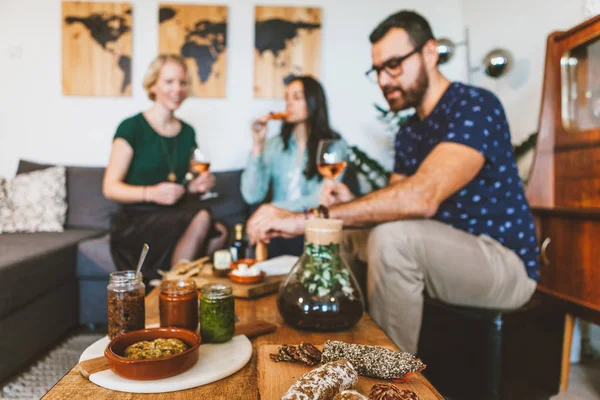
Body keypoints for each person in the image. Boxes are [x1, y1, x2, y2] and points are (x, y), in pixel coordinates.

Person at [246, 10, 539, 355]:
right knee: (346, 233)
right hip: (440, 246)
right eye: (378, 70)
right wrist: (350, 200)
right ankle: (334, 345)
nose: (384, 80)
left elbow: (423, 197)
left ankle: (386, 379)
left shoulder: (474, 106)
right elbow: (397, 204)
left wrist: (308, 217)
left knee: (393, 239)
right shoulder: (410, 130)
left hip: (500, 260)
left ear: (430, 53)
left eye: (394, 65)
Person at [103, 54, 227, 282]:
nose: (177, 89)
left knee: (219, 233)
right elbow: (110, 188)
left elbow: (181, 184)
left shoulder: (188, 132)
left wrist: (195, 186)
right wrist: (152, 193)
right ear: (153, 85)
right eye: (169, 82)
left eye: (182, 82)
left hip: (172, 214)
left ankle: (180, 286)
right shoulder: (131, 128)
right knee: (202, 217)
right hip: (136, 219)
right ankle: (174, 289)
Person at [241, 75, 345, 256]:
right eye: (287, 98)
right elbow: (252, 195)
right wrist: (258, 144)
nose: (288, 104)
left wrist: (276, 209)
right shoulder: (275, 146)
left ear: (313, 102)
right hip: (278, 230)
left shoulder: (334, 146)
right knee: (268, 234)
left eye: (297, 98)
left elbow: (323, 198)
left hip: (312, 226)